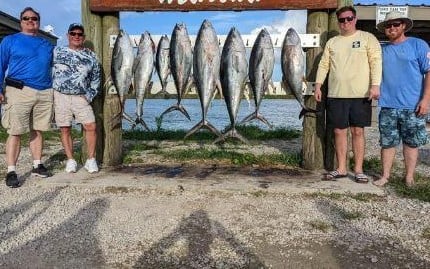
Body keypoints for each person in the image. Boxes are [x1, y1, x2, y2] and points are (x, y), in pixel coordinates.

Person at [314, 6, 382, 183]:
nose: (346, 22)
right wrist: (318, 85)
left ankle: (358, 169)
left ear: (355, 19)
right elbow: (324, 65)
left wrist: (375, 85)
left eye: (349, 18)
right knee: (338, 131)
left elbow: (376, 62)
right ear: (338, 22)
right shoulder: (332, 42)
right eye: (342, 20)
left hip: (361, 94)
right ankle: (341, 168)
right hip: (336, 95)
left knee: (358, 131)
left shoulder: (368, 38)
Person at [373, 11, 430, 187]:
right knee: (387, 143)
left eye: (396, 24)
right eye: (388, 25)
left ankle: (409, 177)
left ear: (403, 25)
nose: (392, 28)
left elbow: (428, 72)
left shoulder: (418, 45)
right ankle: (385, 176)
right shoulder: (381, 50)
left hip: (413, 105)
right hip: (387, 105)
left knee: (411, 144)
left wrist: (426, 100)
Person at [0, 7, 54, 188]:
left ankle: (37, 165)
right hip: (18, 90)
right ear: (20, 21)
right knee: (15, 131)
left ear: (38, 21)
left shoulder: (47, 44)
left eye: (34, 18)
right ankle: (11, 170)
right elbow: (0, 65)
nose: (30, 21)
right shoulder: (10, 41)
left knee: (38, 130)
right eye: (26, 18)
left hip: (45, 92)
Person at [52, 23, 101, 173]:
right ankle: (71, 160)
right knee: (65, 128)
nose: (76, 36)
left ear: (84, 37)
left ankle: (91, 160)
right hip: (60, 96)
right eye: (73, 34)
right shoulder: (57, 51)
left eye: (80, 34)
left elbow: (96, 78)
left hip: (81, 97)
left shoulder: (91, 56)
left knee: (91, 126)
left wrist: (90, 95)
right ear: (68, 36)